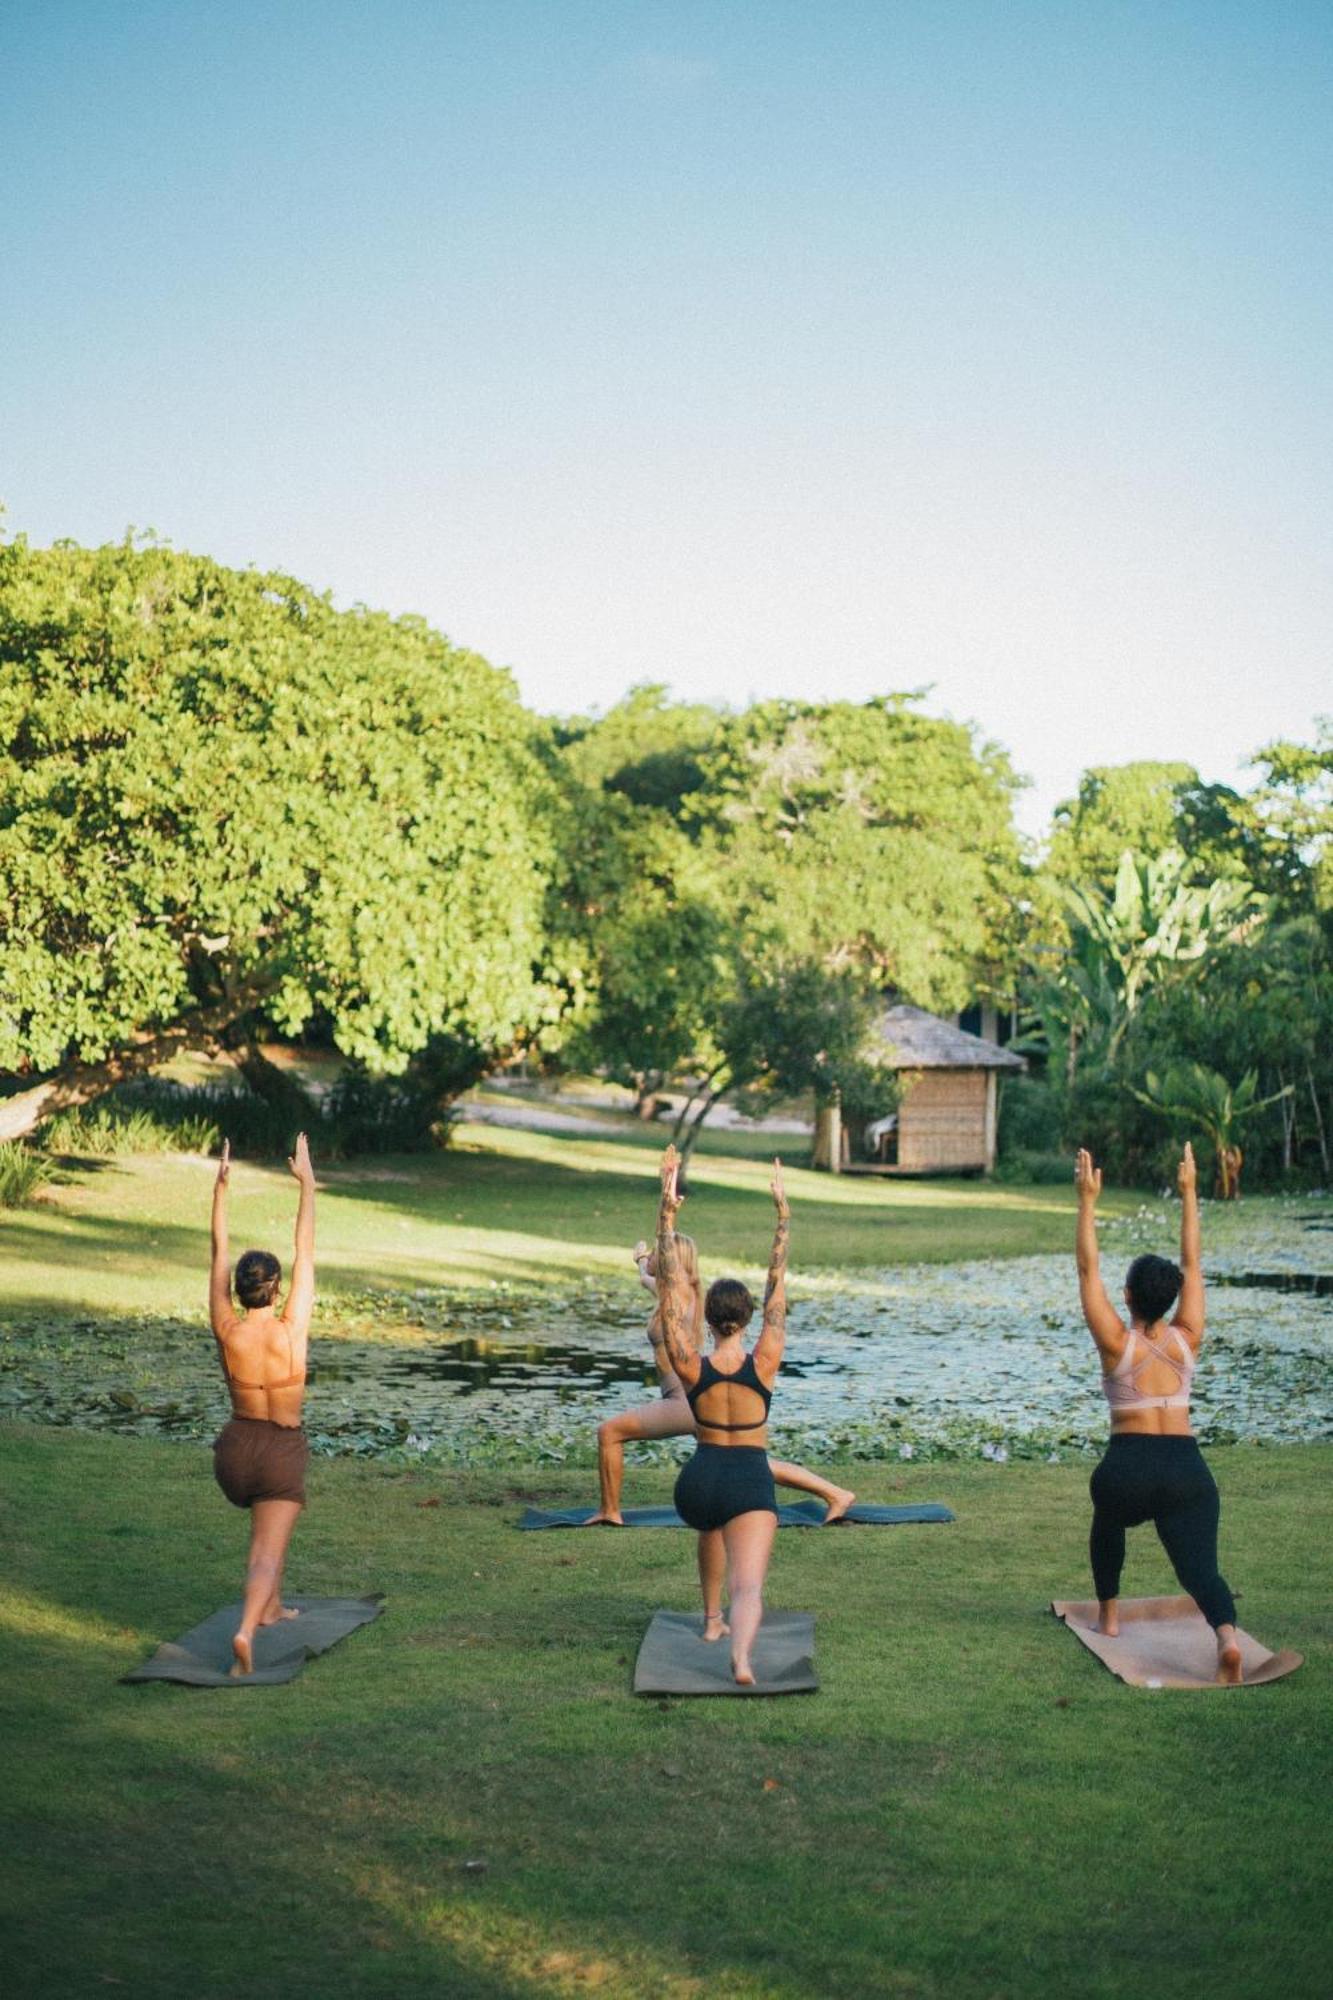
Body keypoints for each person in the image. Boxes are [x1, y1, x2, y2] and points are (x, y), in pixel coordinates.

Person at [1075, 1141, 1243, 1684]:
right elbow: (1193, 1261)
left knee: (1108, 1519)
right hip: (1187, 1470)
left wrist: (1086, 1201)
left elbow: (1085, 1269)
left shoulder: (1113, 1342)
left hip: (1127, 1466)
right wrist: (1191, 1191)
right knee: (1201, 1571)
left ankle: (1110, 1618)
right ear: (1170, 1298)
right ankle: (1226, 1637)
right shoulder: (1187, 1335)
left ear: (1127, 1296)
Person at [586, 1224, 854, 1526]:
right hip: (687, 1399)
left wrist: (657, 1238)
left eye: (659, 1251)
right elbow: (647, 1279)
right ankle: (835, 1494)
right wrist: (639, 1260)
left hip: (683, 1402)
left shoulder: (679, 1292)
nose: (653, 1255)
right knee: (751, 1461)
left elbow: (657, 1278)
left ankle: (610, 1511)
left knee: (609, 1432)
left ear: (671, 1260)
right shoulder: (669, 1291)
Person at [655, 1143, 789, 1686]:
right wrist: (782, 1219)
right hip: (748, 1481)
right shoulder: (766, 1360)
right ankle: (740, 1659)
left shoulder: (690, 1364)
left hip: (698, 1485)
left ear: (706, 1317)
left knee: (711, 1528)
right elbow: (777, 1284)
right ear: (750, 1318)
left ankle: (712, 1623)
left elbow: (667, 1292)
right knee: (750, 1587)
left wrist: (667, 1215)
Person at [209, 1132, 316, 1677]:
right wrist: (307, 1185)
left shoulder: (226, 1327)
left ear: (240, 1289)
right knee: (265, 1554)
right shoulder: (291, 1327)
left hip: (233, 1451)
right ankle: (247, 1631)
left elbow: (219, 1251)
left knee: (265, 1536)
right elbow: (306, 1249)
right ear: (276, 1288)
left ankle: (272, 1607)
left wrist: (220, 1189)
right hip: (277, 1450)